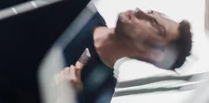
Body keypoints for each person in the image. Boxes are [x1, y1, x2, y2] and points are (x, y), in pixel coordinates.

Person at [56, 7, 193, 102]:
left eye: (153, 23)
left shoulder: (100, 93)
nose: (140, 11)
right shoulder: (83, 11)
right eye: (150, 12)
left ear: (154, 54)